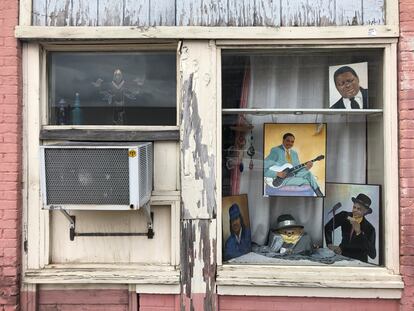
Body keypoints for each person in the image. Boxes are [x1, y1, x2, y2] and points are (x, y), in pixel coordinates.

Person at [264, 133, 323, 197]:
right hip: (280, 179)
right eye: (288, 140)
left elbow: (297, 170)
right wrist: (277, 174)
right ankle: (319, 194)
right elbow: (264, 167)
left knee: (308, 173)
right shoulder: (276, 151)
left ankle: (319, 194)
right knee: (310, 181)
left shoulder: (294, 153)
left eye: (292, 142)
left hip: (292, 174)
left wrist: (307, 168)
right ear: (283, 140)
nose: (290, 143)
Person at [324, 193, 376, 263]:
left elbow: (373, 255)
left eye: (359, 209)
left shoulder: (370, 228)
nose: (355, 210)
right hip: (342, 258)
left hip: (359, 262)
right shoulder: (344, 216)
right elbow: (328, 227)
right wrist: (329, 244)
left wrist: (359, 233)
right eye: (354, 207)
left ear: (365, 211)